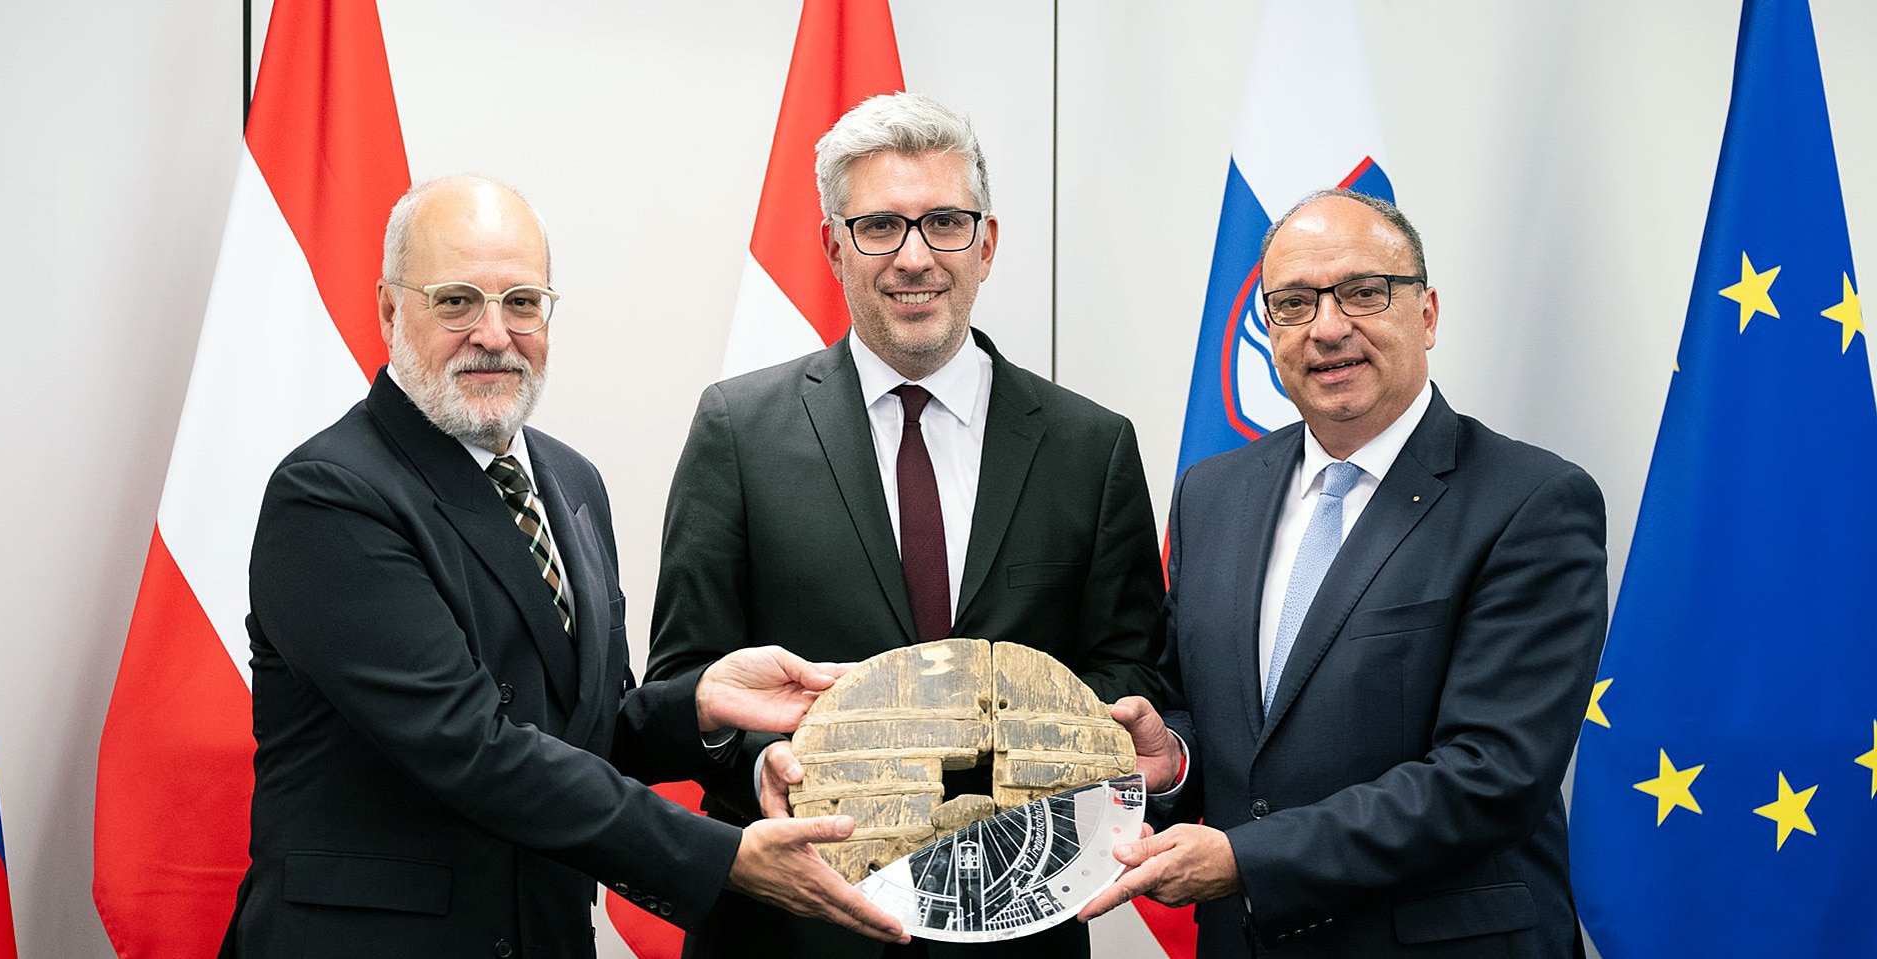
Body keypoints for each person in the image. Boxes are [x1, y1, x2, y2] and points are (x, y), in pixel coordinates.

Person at [221, 175, 905, 958]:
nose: (493, 332)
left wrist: (703, 704)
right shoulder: (330, 497)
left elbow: (587, 729)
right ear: (387, 308)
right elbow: (472, 745)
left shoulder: (570, 481)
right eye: (456, 301)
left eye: (521, 301)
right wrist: (721, 858)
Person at [645, 93, 1165, 958]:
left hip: (1017, 923)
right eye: (880, 226)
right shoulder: (739, 430)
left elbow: (1134, 665)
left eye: (945, 224)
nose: (915, 257)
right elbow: (689, 680)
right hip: (794, 927)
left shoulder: (1092, 446)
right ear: (833, 247)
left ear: (987, 244)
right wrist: (755, 765)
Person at [1076, 190, 1609, 958]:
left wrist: (1247, 859)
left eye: (1363, 292)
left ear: (1426, 313)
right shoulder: (1212, 493)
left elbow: (1491, 775)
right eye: (1293, 303)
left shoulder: (1531, 502)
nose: (1328, 328)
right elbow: (1207, 712)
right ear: (1268, 330)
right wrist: (1175, 760)